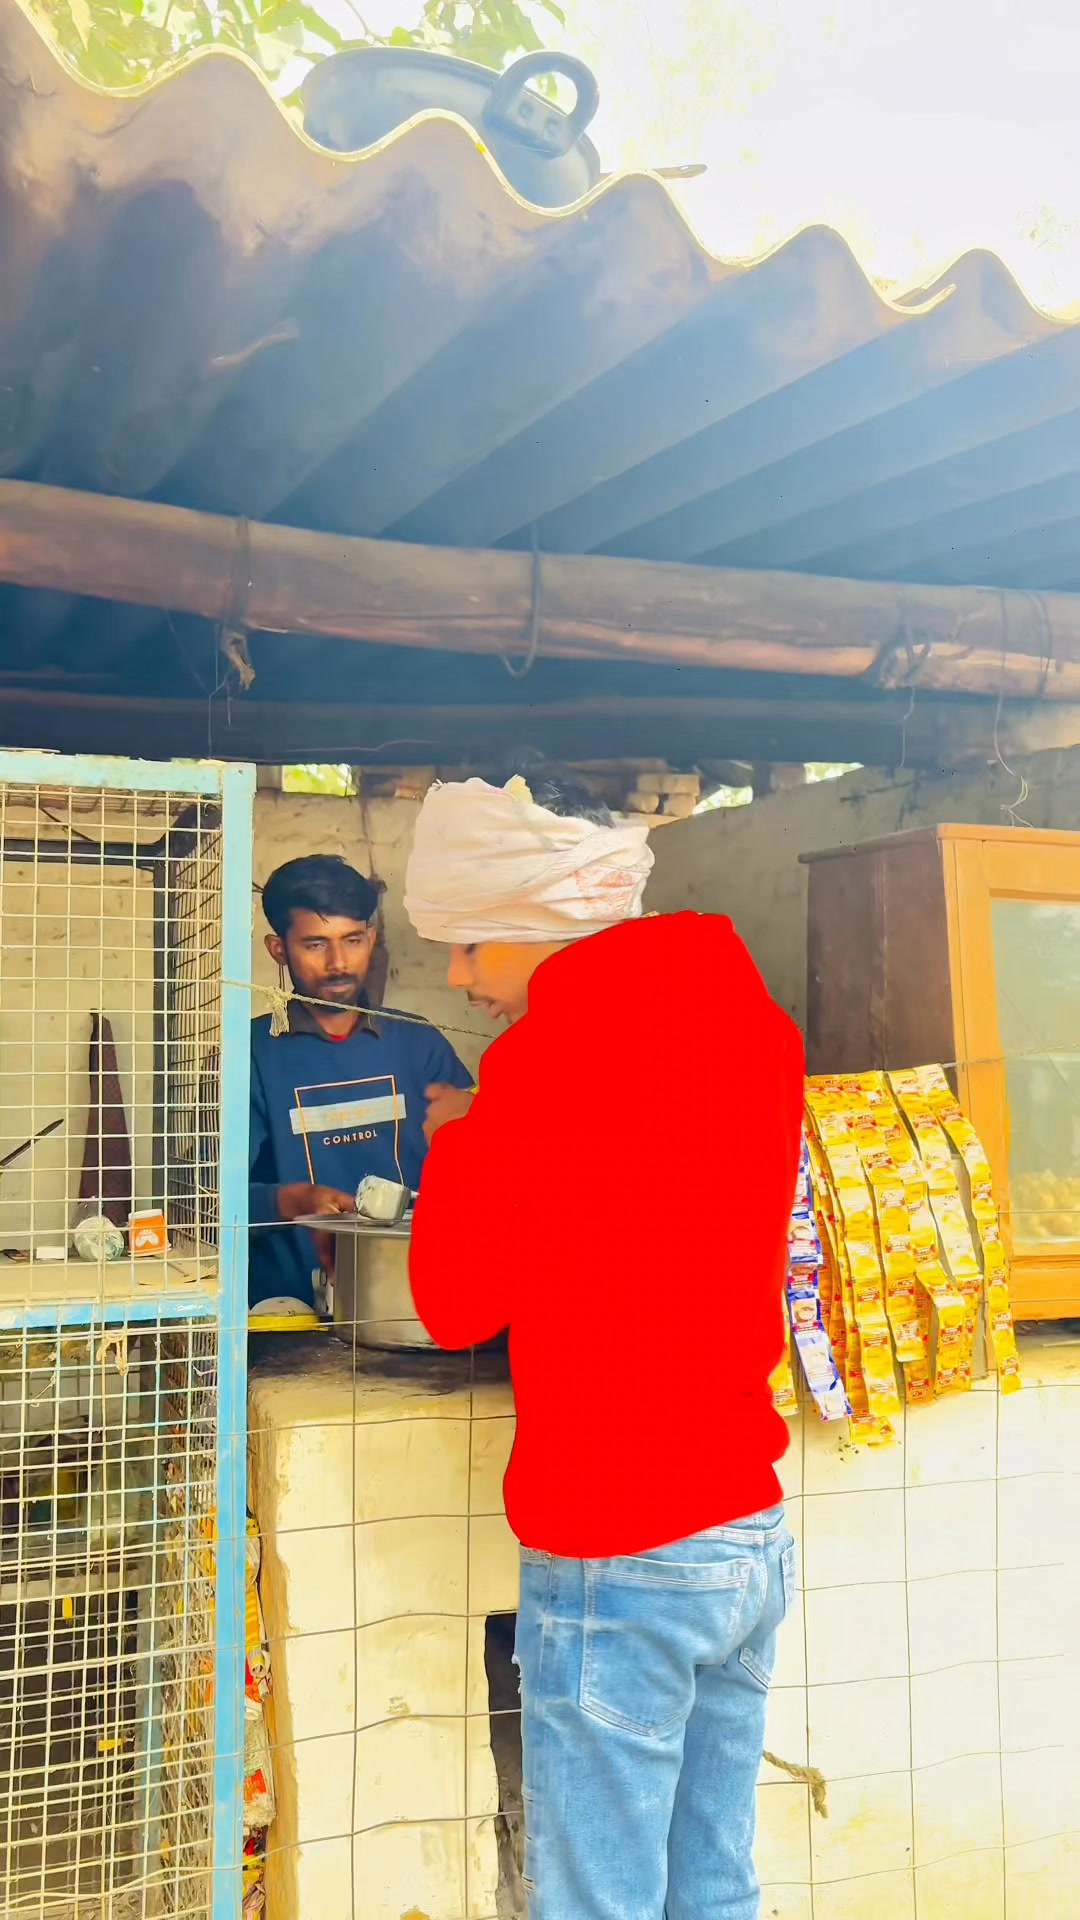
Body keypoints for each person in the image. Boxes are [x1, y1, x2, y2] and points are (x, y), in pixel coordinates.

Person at [404, 771, 803, 1920]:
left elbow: (454, 1304)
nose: (457, 976)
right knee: (713, 1883)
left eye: (469, 944)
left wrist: (461, 1140)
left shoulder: (548, 1059)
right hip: (742, 1525)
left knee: (596, 1899)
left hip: (618, 1533)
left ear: (534, 916)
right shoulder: (752, 1021)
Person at [248, 853, 473, 1308]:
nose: (338, 963)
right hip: (291, 1313)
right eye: (315, 944)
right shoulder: (251, 1054)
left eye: (352, 940)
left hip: (412, 1301)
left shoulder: (418, 1043)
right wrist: (290, 1200)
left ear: (370, 938)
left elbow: (478, 1167)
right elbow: (202, 1200)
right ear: (279, 949)